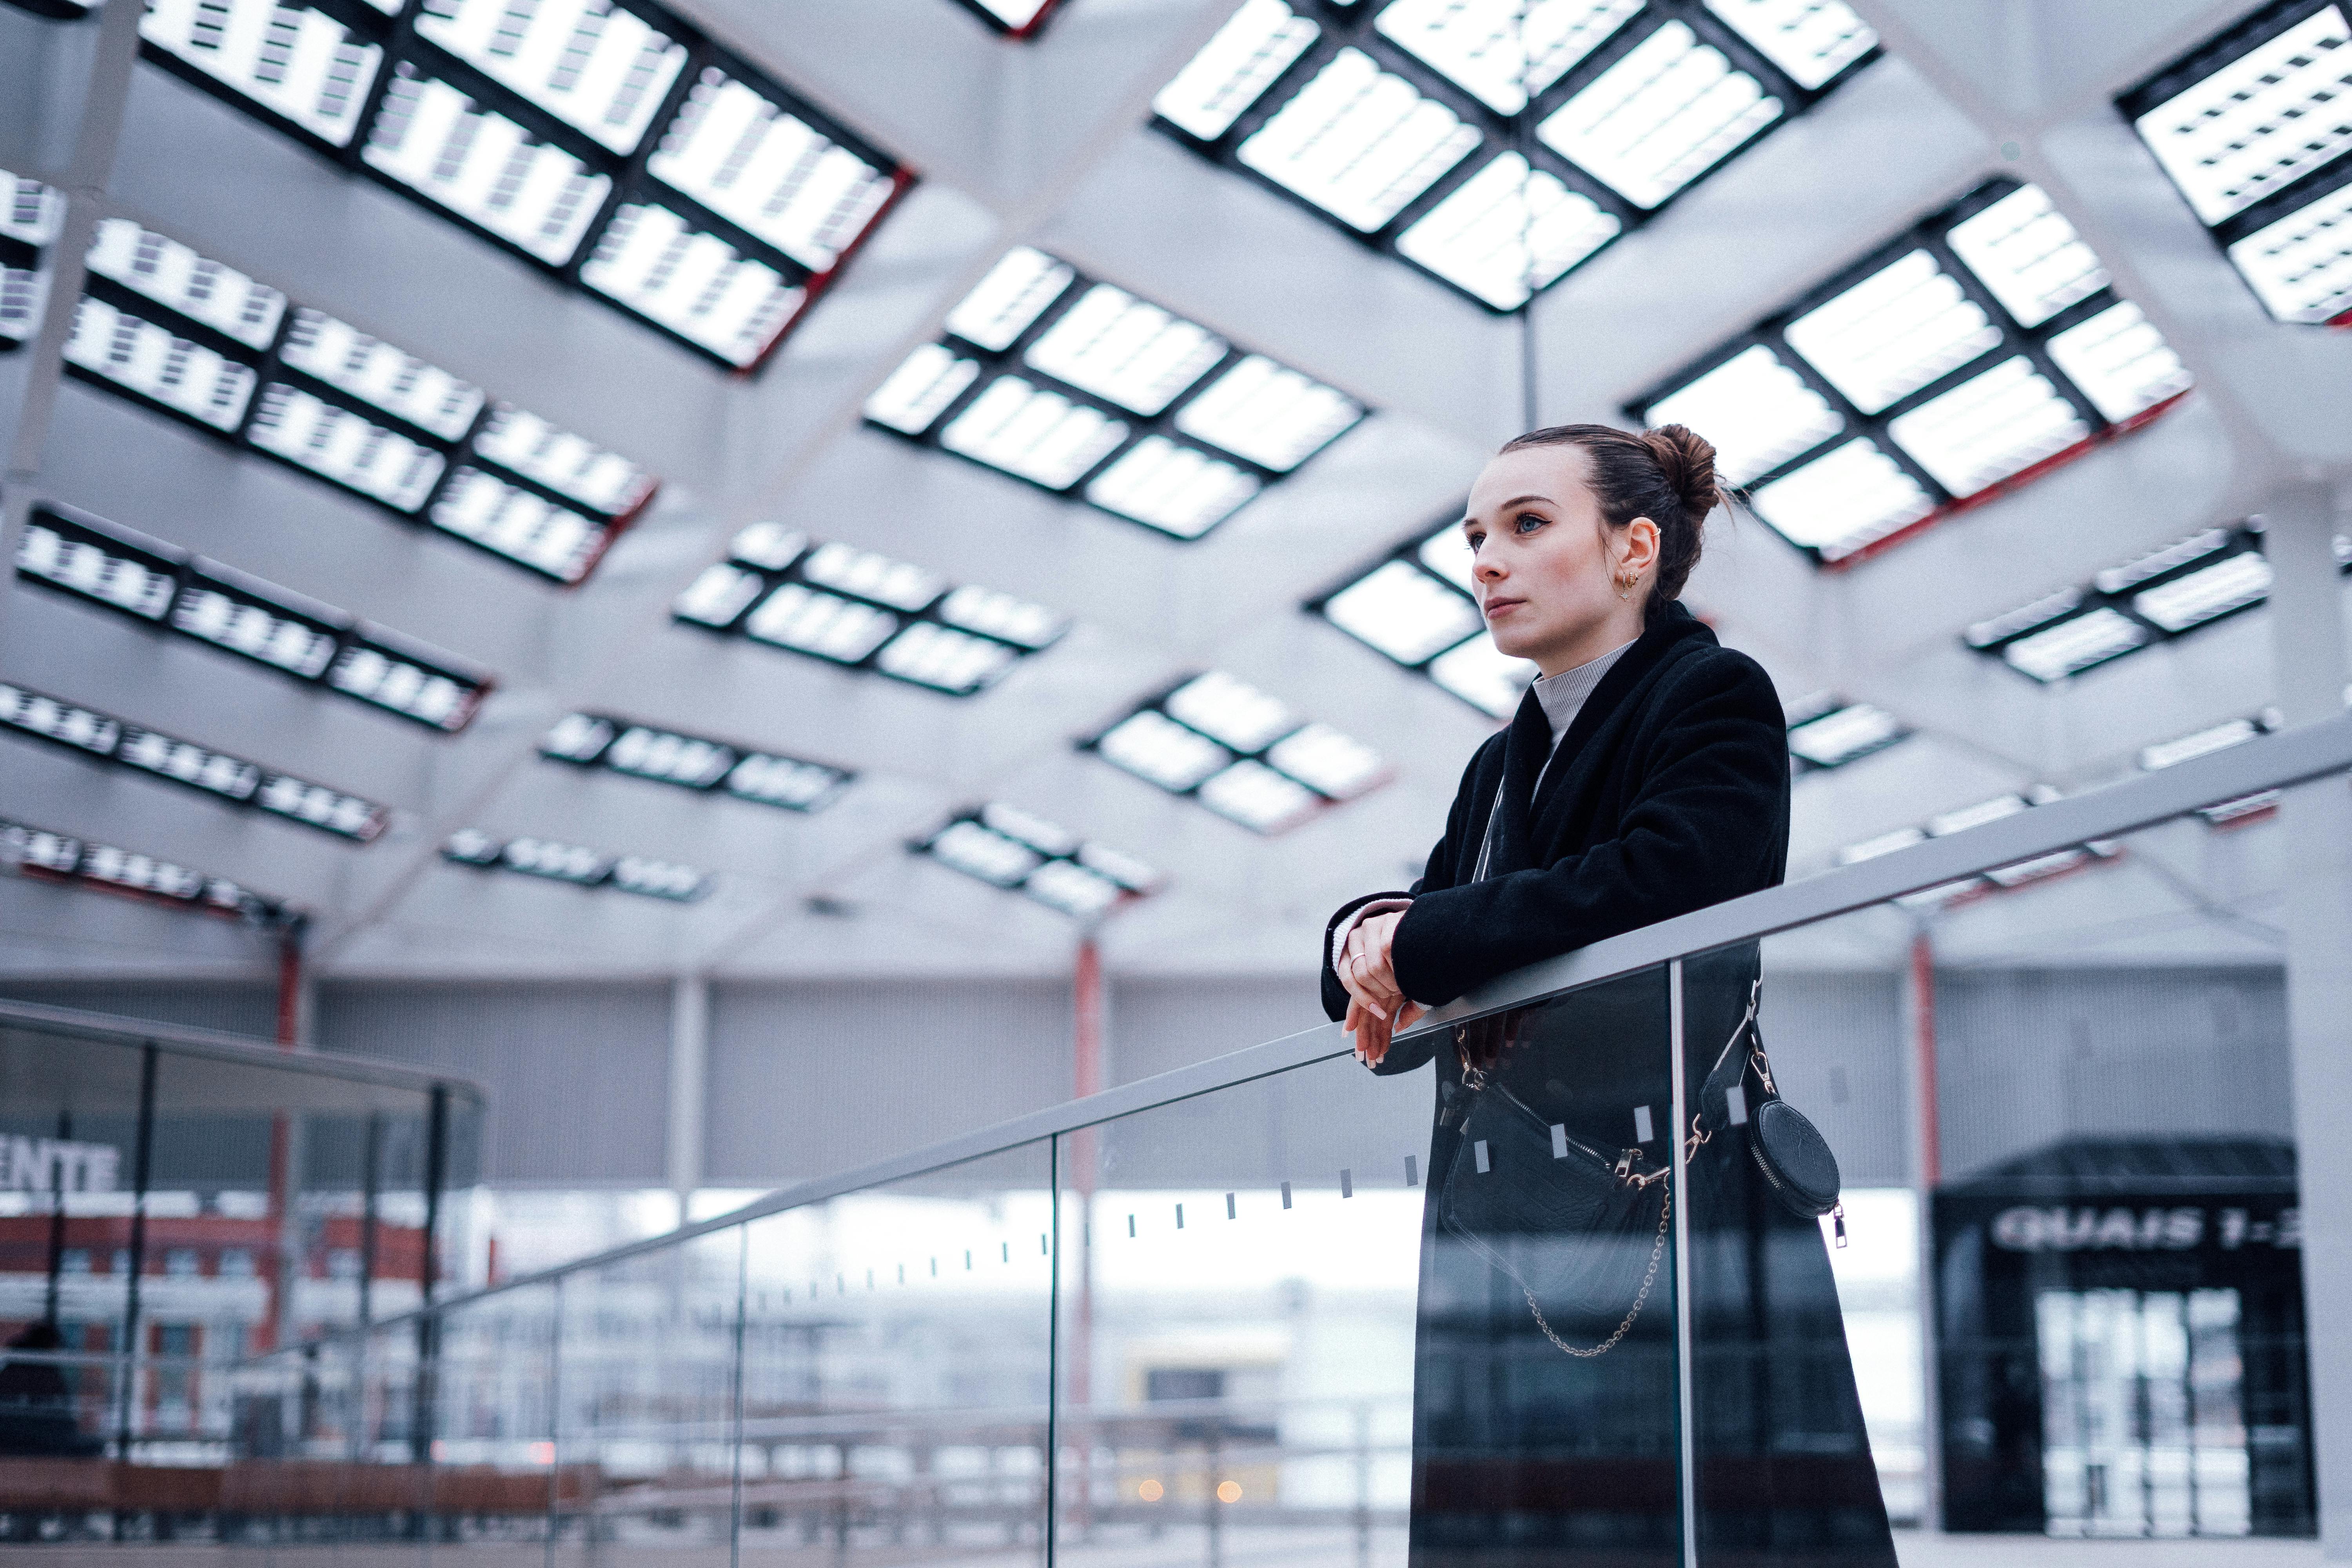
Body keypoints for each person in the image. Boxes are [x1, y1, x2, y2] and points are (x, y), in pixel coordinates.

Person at [1321, 424, 1897, 1566]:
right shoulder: (1502, 761)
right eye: (1477, 534)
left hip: (1666, 1193)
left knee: (1675, 1515)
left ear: (1636, 549)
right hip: (1517, 1209)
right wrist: (1362, 940)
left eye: (1528, 526)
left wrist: (1415, 940)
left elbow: (1663, 881)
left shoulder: (1712, 694)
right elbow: (1443, 912)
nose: (1486, 560)